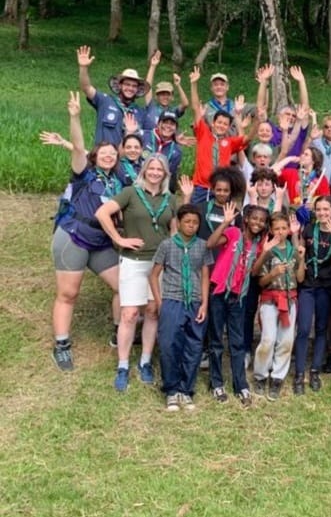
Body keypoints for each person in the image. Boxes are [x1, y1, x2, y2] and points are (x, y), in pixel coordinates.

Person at [50, 92, 121, 371]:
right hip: (74, 236)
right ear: (95, 156)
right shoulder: (84, 173)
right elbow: (78, 148)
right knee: (69, 293)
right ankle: (62, 344)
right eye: (103, 153)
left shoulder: (117, 181)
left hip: (101, 241)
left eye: (112, 154)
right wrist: (75, 116)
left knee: (122, 286)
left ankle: (119, 333)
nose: (108, 156)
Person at [95, 154, 177, 392]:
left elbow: (172, 231)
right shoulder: (130, 193)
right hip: (133, 261)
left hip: (158, 263)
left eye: (159, 170)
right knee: (130, 313)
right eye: (150, 168)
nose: (154, 173)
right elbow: (102, 213)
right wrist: (119, 238)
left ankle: (145, 361)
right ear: (144, 171)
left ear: (164, 174)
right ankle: (122, 365)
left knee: (152, 312)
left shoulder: (170, 199)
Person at [149, 204, 213, 411]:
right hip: (172, 300)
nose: (191, 226)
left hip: (194, 302)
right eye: (187, 222)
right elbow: (154, 275)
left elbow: (204, 275)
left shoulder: (202, 246)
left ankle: (186, 391)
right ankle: (171, 390)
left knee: (193, 346)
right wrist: (160, 302)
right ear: (178, 222)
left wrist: (204, 303)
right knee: (169, 345)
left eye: (195, 222)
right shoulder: (167, 245)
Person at [206, 201, 266, 407]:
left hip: (239, 296)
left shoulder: (258, 245)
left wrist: (265, 251)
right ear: (247, 219)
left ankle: (240, 384)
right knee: (215, 341)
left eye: (262, 220)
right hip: (219, 291)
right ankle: (216, 382)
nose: (257, 223)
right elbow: (210, 243)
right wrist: (225, 222)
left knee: (237, 342)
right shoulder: (233, 233)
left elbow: (255, 272)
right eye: (254, 218)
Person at [254, 212, 305, 401]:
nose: (281, 232)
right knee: (268, 339)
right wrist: (274, 273)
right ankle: (260, 375)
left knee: (286, 341)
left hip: (290, 299)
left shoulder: (294, 250)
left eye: (284, 228)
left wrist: (301, 260)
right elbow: (260, 282)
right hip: (270, 300)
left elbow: (300, 278)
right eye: (277, 229)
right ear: (271, 230)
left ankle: (277, 377)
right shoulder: (268, 250)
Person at [292, 196, 331, 395]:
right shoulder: (309, 229)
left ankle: (314, 371)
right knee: (303, 329)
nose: (322, 213)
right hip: (308, 285)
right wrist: (295, 236)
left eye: (326, 209)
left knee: (321, 329)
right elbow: (300, 253)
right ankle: (299, 373)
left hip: (326, 286)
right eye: (319, 209)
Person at [188, 91, 259, 204]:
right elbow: (196, 108)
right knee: (197, 216)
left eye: (225, 124)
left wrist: (257, 123)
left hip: (221, 189)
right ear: (213, 123)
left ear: (228, 127)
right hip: (201, 187)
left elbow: (247, 139)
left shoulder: (229, 142)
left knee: (220, 216)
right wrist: (194, 84)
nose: (221, 126)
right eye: (219, 122)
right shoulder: (204, 134)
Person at [77, 45, 149, 146]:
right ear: (119, 85)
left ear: (137, 89)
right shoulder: (105, 101)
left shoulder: (140, 112)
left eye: (134, 86)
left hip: (126, 160)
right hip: (103, 158)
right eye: (127, 84)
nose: (130, 88)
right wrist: (83, 67)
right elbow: (86, 87)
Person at [142, 50, 189, 129]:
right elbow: (147, 87)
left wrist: (178, 85)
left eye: (168, 94)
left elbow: (185, 104)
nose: (165, 97)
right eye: (162, 94)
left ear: (172, 97)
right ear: (157, 97)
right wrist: (153, 66)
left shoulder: (173, 111)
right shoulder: (151, 106)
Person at [310, 115, 331, 179]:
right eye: (326, 127)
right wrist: (311, 139)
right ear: (323, 129)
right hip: (319, 181)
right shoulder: (315, 142)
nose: (329, 129)